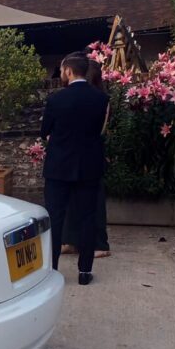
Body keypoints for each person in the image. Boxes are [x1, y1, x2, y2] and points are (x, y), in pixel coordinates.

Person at [41, 52, 110, 286]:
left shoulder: (56, 99)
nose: (60, 75)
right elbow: (99, 130)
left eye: (61, 71)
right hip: (89, 165)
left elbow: (44, 130)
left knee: (55, 218)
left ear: (69, 71)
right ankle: (84, 271)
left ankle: (52, 269)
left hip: (59, 165)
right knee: (87, 218)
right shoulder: (101, 99)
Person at [62, 60, 112, 260]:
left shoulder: (99, 100)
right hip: (78, 153)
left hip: (88, 154)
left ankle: (99, 243)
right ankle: (71, 241)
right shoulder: (89, 98)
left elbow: (100, 129)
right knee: (72, 200)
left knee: (94, 201)